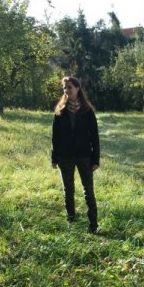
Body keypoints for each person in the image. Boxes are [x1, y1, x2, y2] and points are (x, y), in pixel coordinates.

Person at [52, 76, 100, 233]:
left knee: (88, 190)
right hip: (64, 157)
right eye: (64, 88)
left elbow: (95, 137)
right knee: (68, 189)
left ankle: (93, 225)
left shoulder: (87, 111)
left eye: (70, 87)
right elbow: (55, 137)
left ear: (78, 89)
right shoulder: (60, 112)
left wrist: (95, 159)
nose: (66, 90)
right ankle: (71, 220)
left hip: (84, 156)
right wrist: (54, 157)